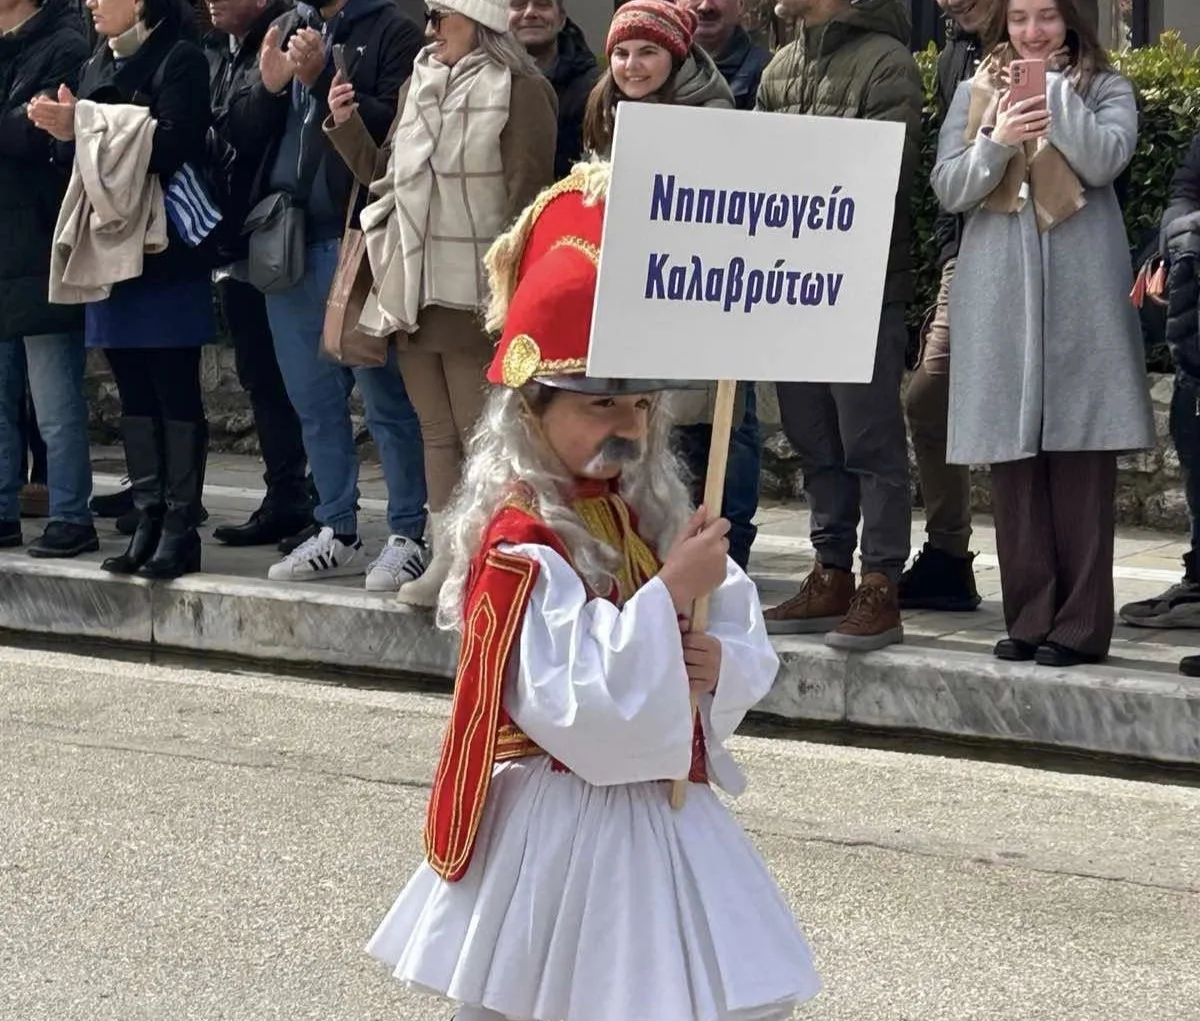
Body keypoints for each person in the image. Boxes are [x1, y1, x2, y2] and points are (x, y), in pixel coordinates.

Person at [362, 163, 821, 1021]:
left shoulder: (639, 514)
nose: (629, 428)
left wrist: (715, 657)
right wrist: (666, 600)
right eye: (600, 404)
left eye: (641, 405)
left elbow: (726, 631)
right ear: (530, 411)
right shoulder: (519, 542)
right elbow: (575, 705)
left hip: (656, 809)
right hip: (563, 816)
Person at [931, 0, 1153, 667]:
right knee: (1014, 462)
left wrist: (1053, 92)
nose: (1033, 32)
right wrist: (997, 137)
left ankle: (1080, 627)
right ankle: (1028, 618)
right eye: (1021, 18)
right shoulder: (975, 92)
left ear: (1071, 21)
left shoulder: (1106, 89)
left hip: (1083, 295)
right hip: (1000, 295)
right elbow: (950, 187)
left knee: (1082, 458)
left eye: (1048, 17)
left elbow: (1104, 160)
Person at [324, 0, 556, 605]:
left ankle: (489, 561)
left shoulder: (522, 89)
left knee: (482, 438)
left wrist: (513, 299)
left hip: (475, 292)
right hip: (411, 284)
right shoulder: (420, 79)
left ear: (477, 19)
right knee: (435, 433)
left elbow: (527, 205)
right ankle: (449, 560)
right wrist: (346, 126)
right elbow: (384, 175)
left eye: (439, 16)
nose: (428, 30)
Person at [756, 0, 923, 651]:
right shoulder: (779, 67)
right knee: (813, 436)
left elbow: (887, 173)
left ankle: (880, 583)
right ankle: (830, 571)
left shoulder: (887, 62)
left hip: (863, 284)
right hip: (791, 284)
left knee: (869, 440)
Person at [31, 0, 217, 579]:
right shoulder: (96, 62)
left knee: (174, 389)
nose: (90, 3)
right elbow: (73, 157)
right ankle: (148, 517)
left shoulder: (180, 57)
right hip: (111, 248)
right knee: (133, 391)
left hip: (165, 252)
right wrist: (66, 130)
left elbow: (172, 145)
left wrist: (86, 124)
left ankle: (181, 529)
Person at [253, 0, 429, 589]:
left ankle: (408, 533)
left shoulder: (395, 32)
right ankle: (336, 528)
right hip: (286, 240)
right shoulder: (283, 27)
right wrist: (269, 90)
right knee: (312, 400)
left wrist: (321, 76)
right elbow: (243, 135)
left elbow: (397, 131)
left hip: (358, 240)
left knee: (385, 398)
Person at [203, 0, 315, 549]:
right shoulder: (220, 49)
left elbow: (244, 129)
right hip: (237, 236)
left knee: (296, 377)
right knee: (260, 373)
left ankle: (311, 501)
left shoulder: (287, 31)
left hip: (278, 233)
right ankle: (286, 494)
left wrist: (266, 90)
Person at [897, 0, 996, 613]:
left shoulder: (1051, 42)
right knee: (928, 398)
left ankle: (1044, 566)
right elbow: (948, 165)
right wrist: (948, 249)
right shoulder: (955, 52)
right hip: (965, 252)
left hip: (1034, 253)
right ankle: (948, 555)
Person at [0, 0, 95, 557]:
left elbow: (38, 135)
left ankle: (70, 514)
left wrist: (19, 124)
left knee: (55, 401)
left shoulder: (65, 44)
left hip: (43, 246)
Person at [507, 0, 597, 178]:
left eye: (542, 4)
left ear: (562, 19)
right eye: (519, 4)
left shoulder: (593, 88)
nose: (530, 13)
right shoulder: (482, 84)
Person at [678, 0, 768, 110]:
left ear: (741, 6)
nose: (705, 7)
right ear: (676, 3)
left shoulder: (766, 75)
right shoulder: (661, 69)